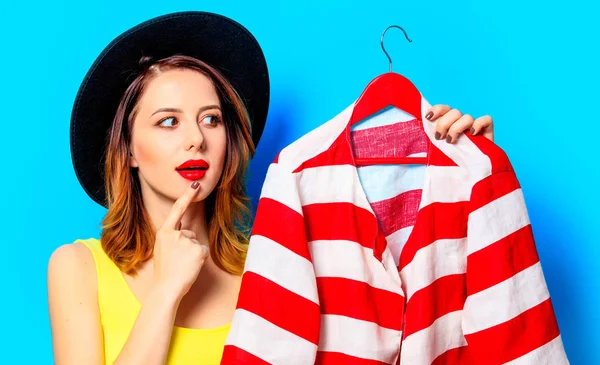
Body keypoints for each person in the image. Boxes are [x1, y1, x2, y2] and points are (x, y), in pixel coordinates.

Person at [47, 11, 495, 365]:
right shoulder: (78, 267)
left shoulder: (276, 264)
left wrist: (459, 182)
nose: (196, 139)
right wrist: (166, 291)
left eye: (211, 118)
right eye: (168, 121)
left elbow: (395, 326)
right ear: (127, 150)